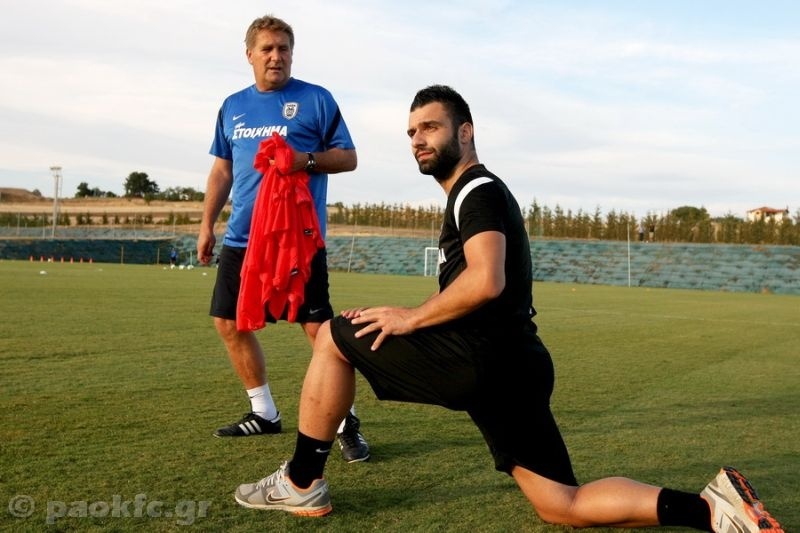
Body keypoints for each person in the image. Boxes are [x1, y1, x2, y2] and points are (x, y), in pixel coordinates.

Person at [232, 85, 785, 531]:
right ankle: (712, 510)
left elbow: (486, 279)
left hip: (481, 358)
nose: (417, 140)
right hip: (518, 366)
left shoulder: (478, 190)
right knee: (561, 504)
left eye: (430, 127)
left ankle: (302, 484)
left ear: (465, 131)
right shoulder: (472, 193)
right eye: (410, 132)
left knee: (333, 334)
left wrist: (411, 316)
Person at [196, 14, 369, 463]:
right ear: (249, 54)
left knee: (320, 332)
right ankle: (264, 411)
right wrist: (205, 224)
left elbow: (348, 158)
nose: (277, 56)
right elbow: (222, 170)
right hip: (242, 240)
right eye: (268, 48)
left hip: (298, 240)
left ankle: (347, 420)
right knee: (228, 322)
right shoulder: (232, 106)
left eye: (284, 48)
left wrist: (303, 161)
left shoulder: (316, 100)